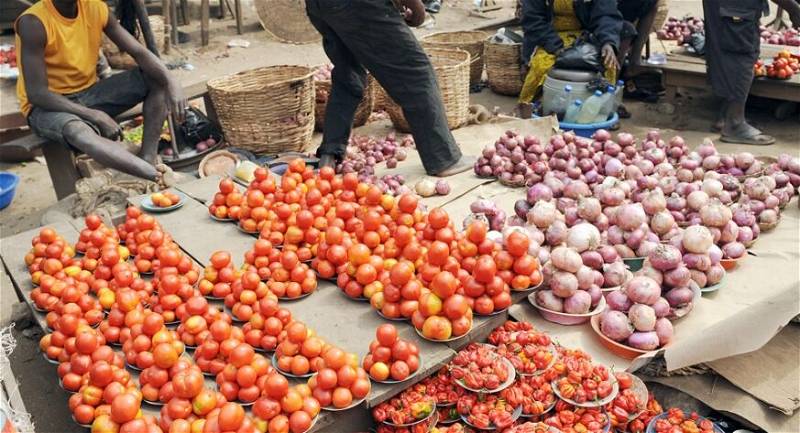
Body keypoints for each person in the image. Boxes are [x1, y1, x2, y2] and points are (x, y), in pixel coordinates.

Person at [15, 0, 186, 184]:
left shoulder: (95, 8)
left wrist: (171, 81)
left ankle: (148, 159)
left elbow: (139, 52)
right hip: (46, 106)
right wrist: (94, 115)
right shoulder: (33, 22)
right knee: (78, 131)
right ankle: (154, 176)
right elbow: (37, 94)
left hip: (88, 93)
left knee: (156, 78)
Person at [305, 0, 473, 177]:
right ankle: (443, 158)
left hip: (319, 6)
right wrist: (418, 9)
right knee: (416, 71)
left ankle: (329, 154)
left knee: (348, 73)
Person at [704, 0, 800, 145]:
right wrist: (793, 8)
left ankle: (726, 116)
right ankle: (735, 124)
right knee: (742, 53)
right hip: (736, 6)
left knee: (726, 48)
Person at [518, 0, 623, 113]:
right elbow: (532, 19)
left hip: (585, 37)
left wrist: (607, 42)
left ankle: (604, 110)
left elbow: (607, 14)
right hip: (548, 37)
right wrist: (556, 47)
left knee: (608, 62)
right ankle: (533, 107)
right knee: (541, 65)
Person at [616, 0, 659, 77]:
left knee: (652, 5)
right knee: (627, 30)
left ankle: (634, 60)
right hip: (607, 12)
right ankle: (612, 79)